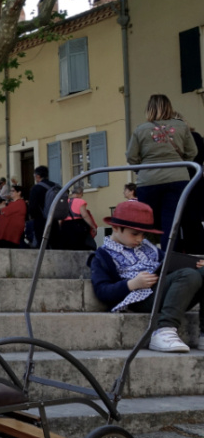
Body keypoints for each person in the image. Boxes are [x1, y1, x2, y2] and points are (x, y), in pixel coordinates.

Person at [91, 200, 204, 353]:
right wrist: (132, 284)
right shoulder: (102, 255)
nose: (139, 239)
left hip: (164, 292)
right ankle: (163, 331)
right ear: (116, 228)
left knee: (196, 272)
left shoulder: (148, 247)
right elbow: (102, 291)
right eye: (135, 234)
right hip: (139, 297)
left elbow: (170, 263)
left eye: (144, 235)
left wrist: (193, 264)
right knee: (188, 275)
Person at [127, 94, 199, 251]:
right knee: (170, 221)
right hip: (177, 178)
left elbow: (131, 156)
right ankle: (168, 259)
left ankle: (144, 255)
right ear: (169, 107)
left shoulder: (140, 129)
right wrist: (179, 164)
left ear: (149, 109)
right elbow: (192, 152)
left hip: (149, 180)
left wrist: (142, 170)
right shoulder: (181, 126)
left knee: (145, 220)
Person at [54, 182, 98, 251]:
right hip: (77, 226)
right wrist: (93, 226)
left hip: (65, 226)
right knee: (80, 247)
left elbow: (61, 218)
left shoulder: (65, 202)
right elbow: (85, 215)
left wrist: (59, 227)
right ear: (80, 193)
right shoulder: (80, 201)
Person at [28, 165, 57, 245]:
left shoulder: (35, 188)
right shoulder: (55, 186)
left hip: (41, 220)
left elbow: (32, 207)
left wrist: (31, 217)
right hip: (55, 219)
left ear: (37, 176)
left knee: (42, 244)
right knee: (54, 244)